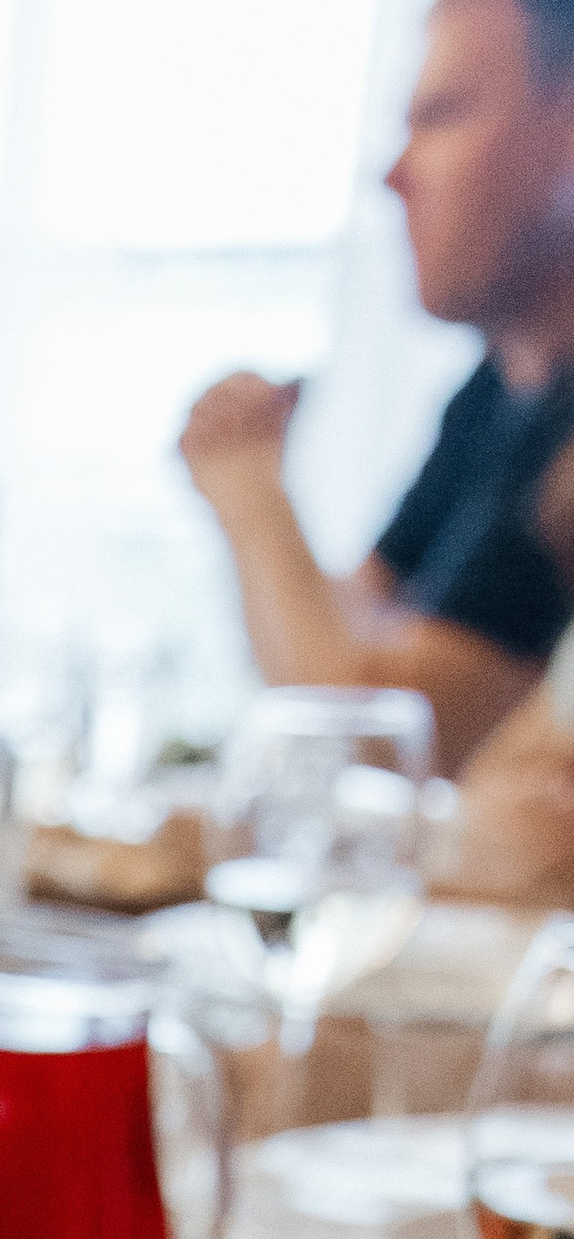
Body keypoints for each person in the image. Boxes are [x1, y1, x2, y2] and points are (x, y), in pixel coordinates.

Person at [179, 0, 574, 772]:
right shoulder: (497, 391)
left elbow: (387, 739)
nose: (392, 173)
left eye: (443, 115)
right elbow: (352, 628)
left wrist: (251, 494)